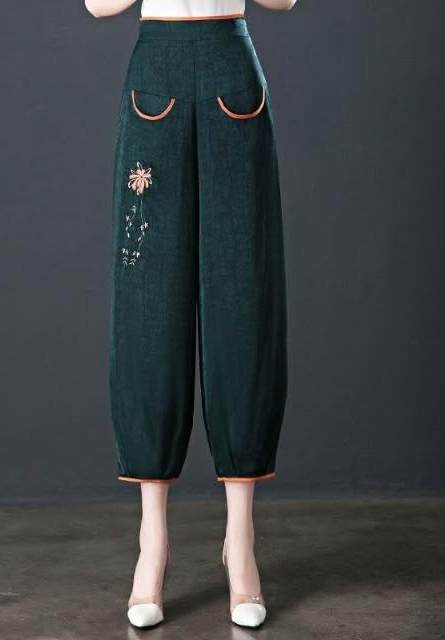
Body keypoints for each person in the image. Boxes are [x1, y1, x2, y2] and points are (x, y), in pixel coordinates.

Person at [85, 0, 296, 629]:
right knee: (148, 303)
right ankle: (152, 543)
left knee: (243, 301)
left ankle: (241, 541)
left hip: (233, 72)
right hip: (156, 76)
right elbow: (97, 5)